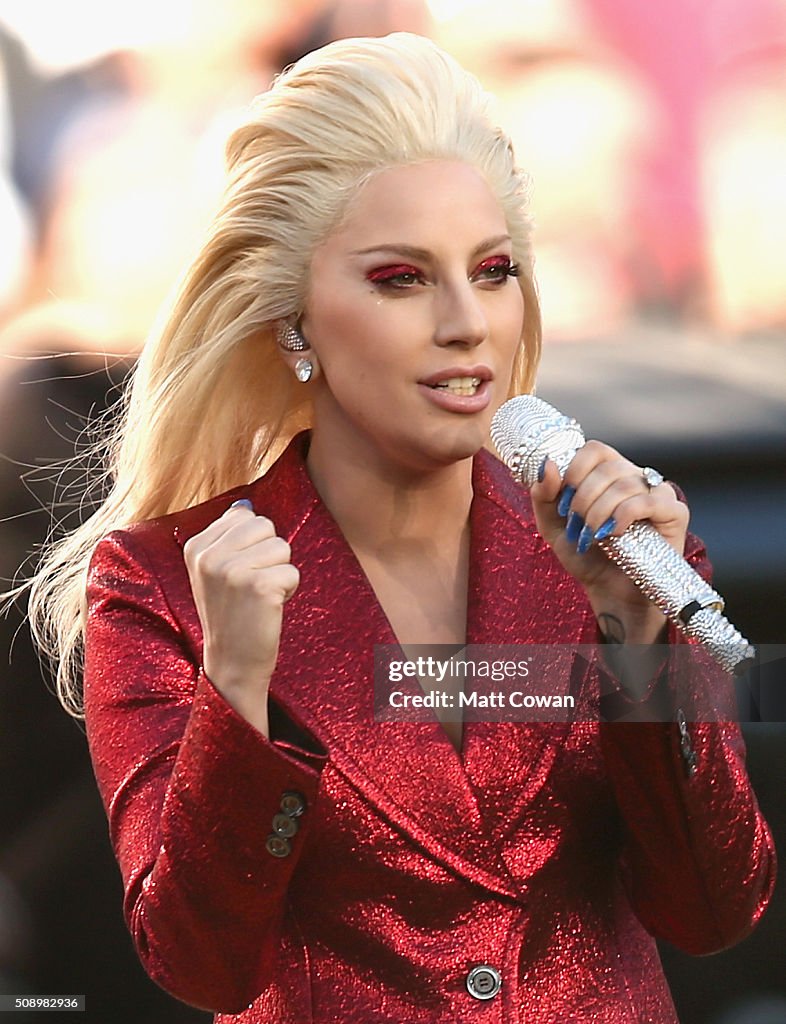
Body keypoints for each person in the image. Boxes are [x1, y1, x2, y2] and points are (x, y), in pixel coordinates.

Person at [25, 33, 775, 1024]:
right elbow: (202, 963)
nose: (468, 321)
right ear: (294, 320)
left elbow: (715, 910)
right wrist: (239, 691)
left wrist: (640, 646)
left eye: (494, 269)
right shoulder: (167, 583)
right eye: (401, 278)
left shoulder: (618, 559)